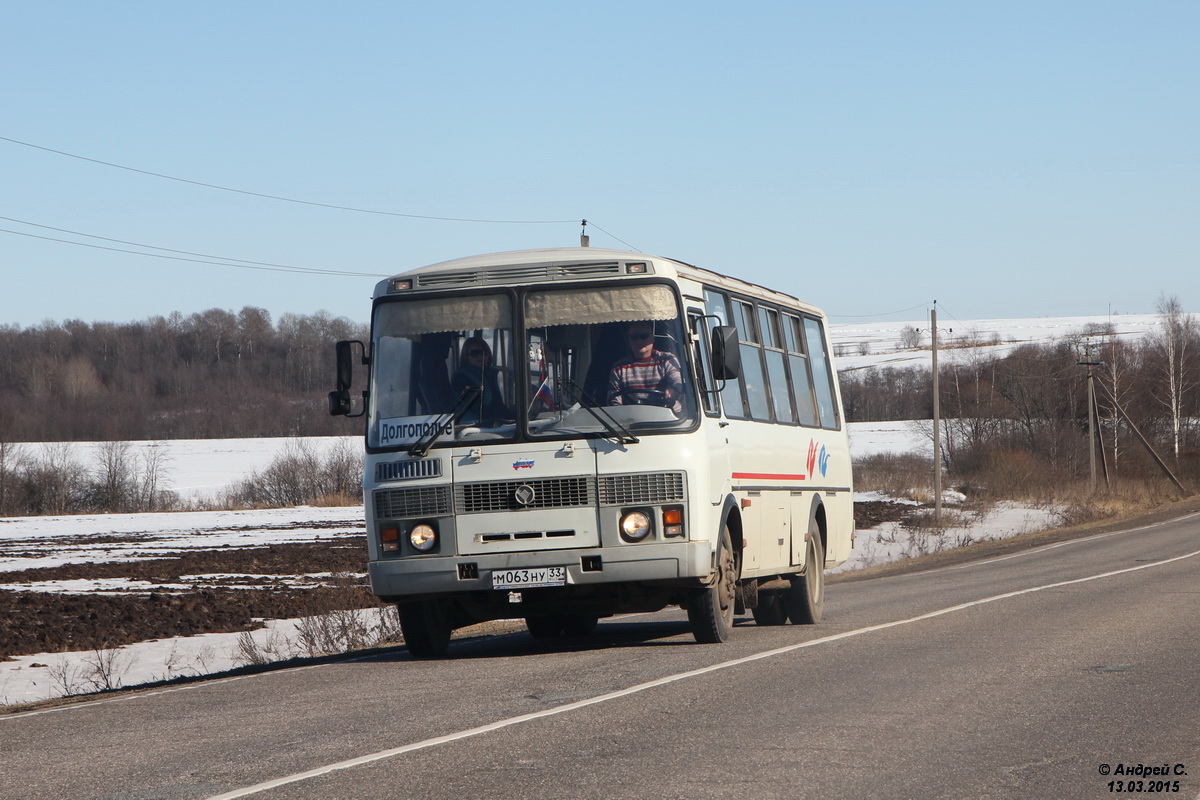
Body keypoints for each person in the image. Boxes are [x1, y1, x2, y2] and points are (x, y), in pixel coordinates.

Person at [607, 321, 684, 413]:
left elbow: (678, 382)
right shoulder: (619, 368)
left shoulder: (667, 360)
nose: (639, 341)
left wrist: (673, 390)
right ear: (629, 341)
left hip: (669, 417)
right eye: (634, 337)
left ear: (652, 338)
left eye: (644, 336)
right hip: (634, 419)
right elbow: (614, 398)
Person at [451, 337, 510, 423]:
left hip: (491, 423)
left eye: (484, 352)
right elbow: (475, 406)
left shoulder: (491, 375)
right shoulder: (460, 377)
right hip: (469, 426)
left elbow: (498, 404)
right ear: (466, 356)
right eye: (474, 353)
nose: (480, 356)